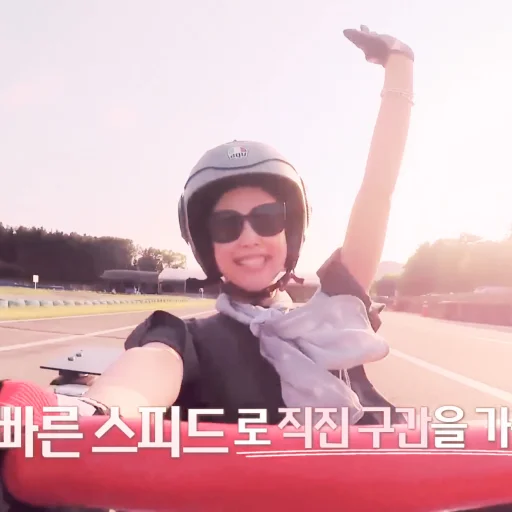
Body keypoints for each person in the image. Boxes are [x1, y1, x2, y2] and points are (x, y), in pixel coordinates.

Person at [0, 23, 414, 510]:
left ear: (291, 230)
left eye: (267, 218)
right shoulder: (181, 336)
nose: (249, 237)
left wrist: (400, 69)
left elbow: (377, 193)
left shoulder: (335, 316)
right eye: (226, 225)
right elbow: (140, 379)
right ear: (205, 244)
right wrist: (87, 414)